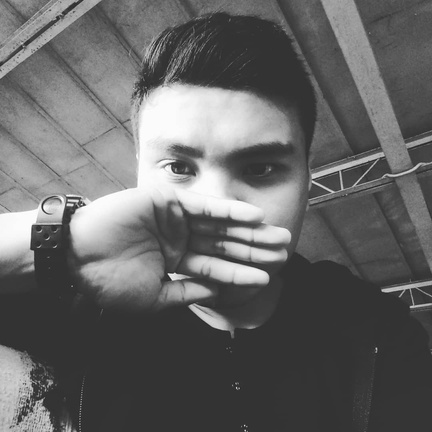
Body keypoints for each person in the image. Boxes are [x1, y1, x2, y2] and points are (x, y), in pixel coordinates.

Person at [1, 12, 432, 432]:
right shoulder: (77, 307)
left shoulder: (374, 329)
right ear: (139, 170)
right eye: (178, 168)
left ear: (307, 174)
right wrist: (67, 242)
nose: (216, 205)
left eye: (260, 168)